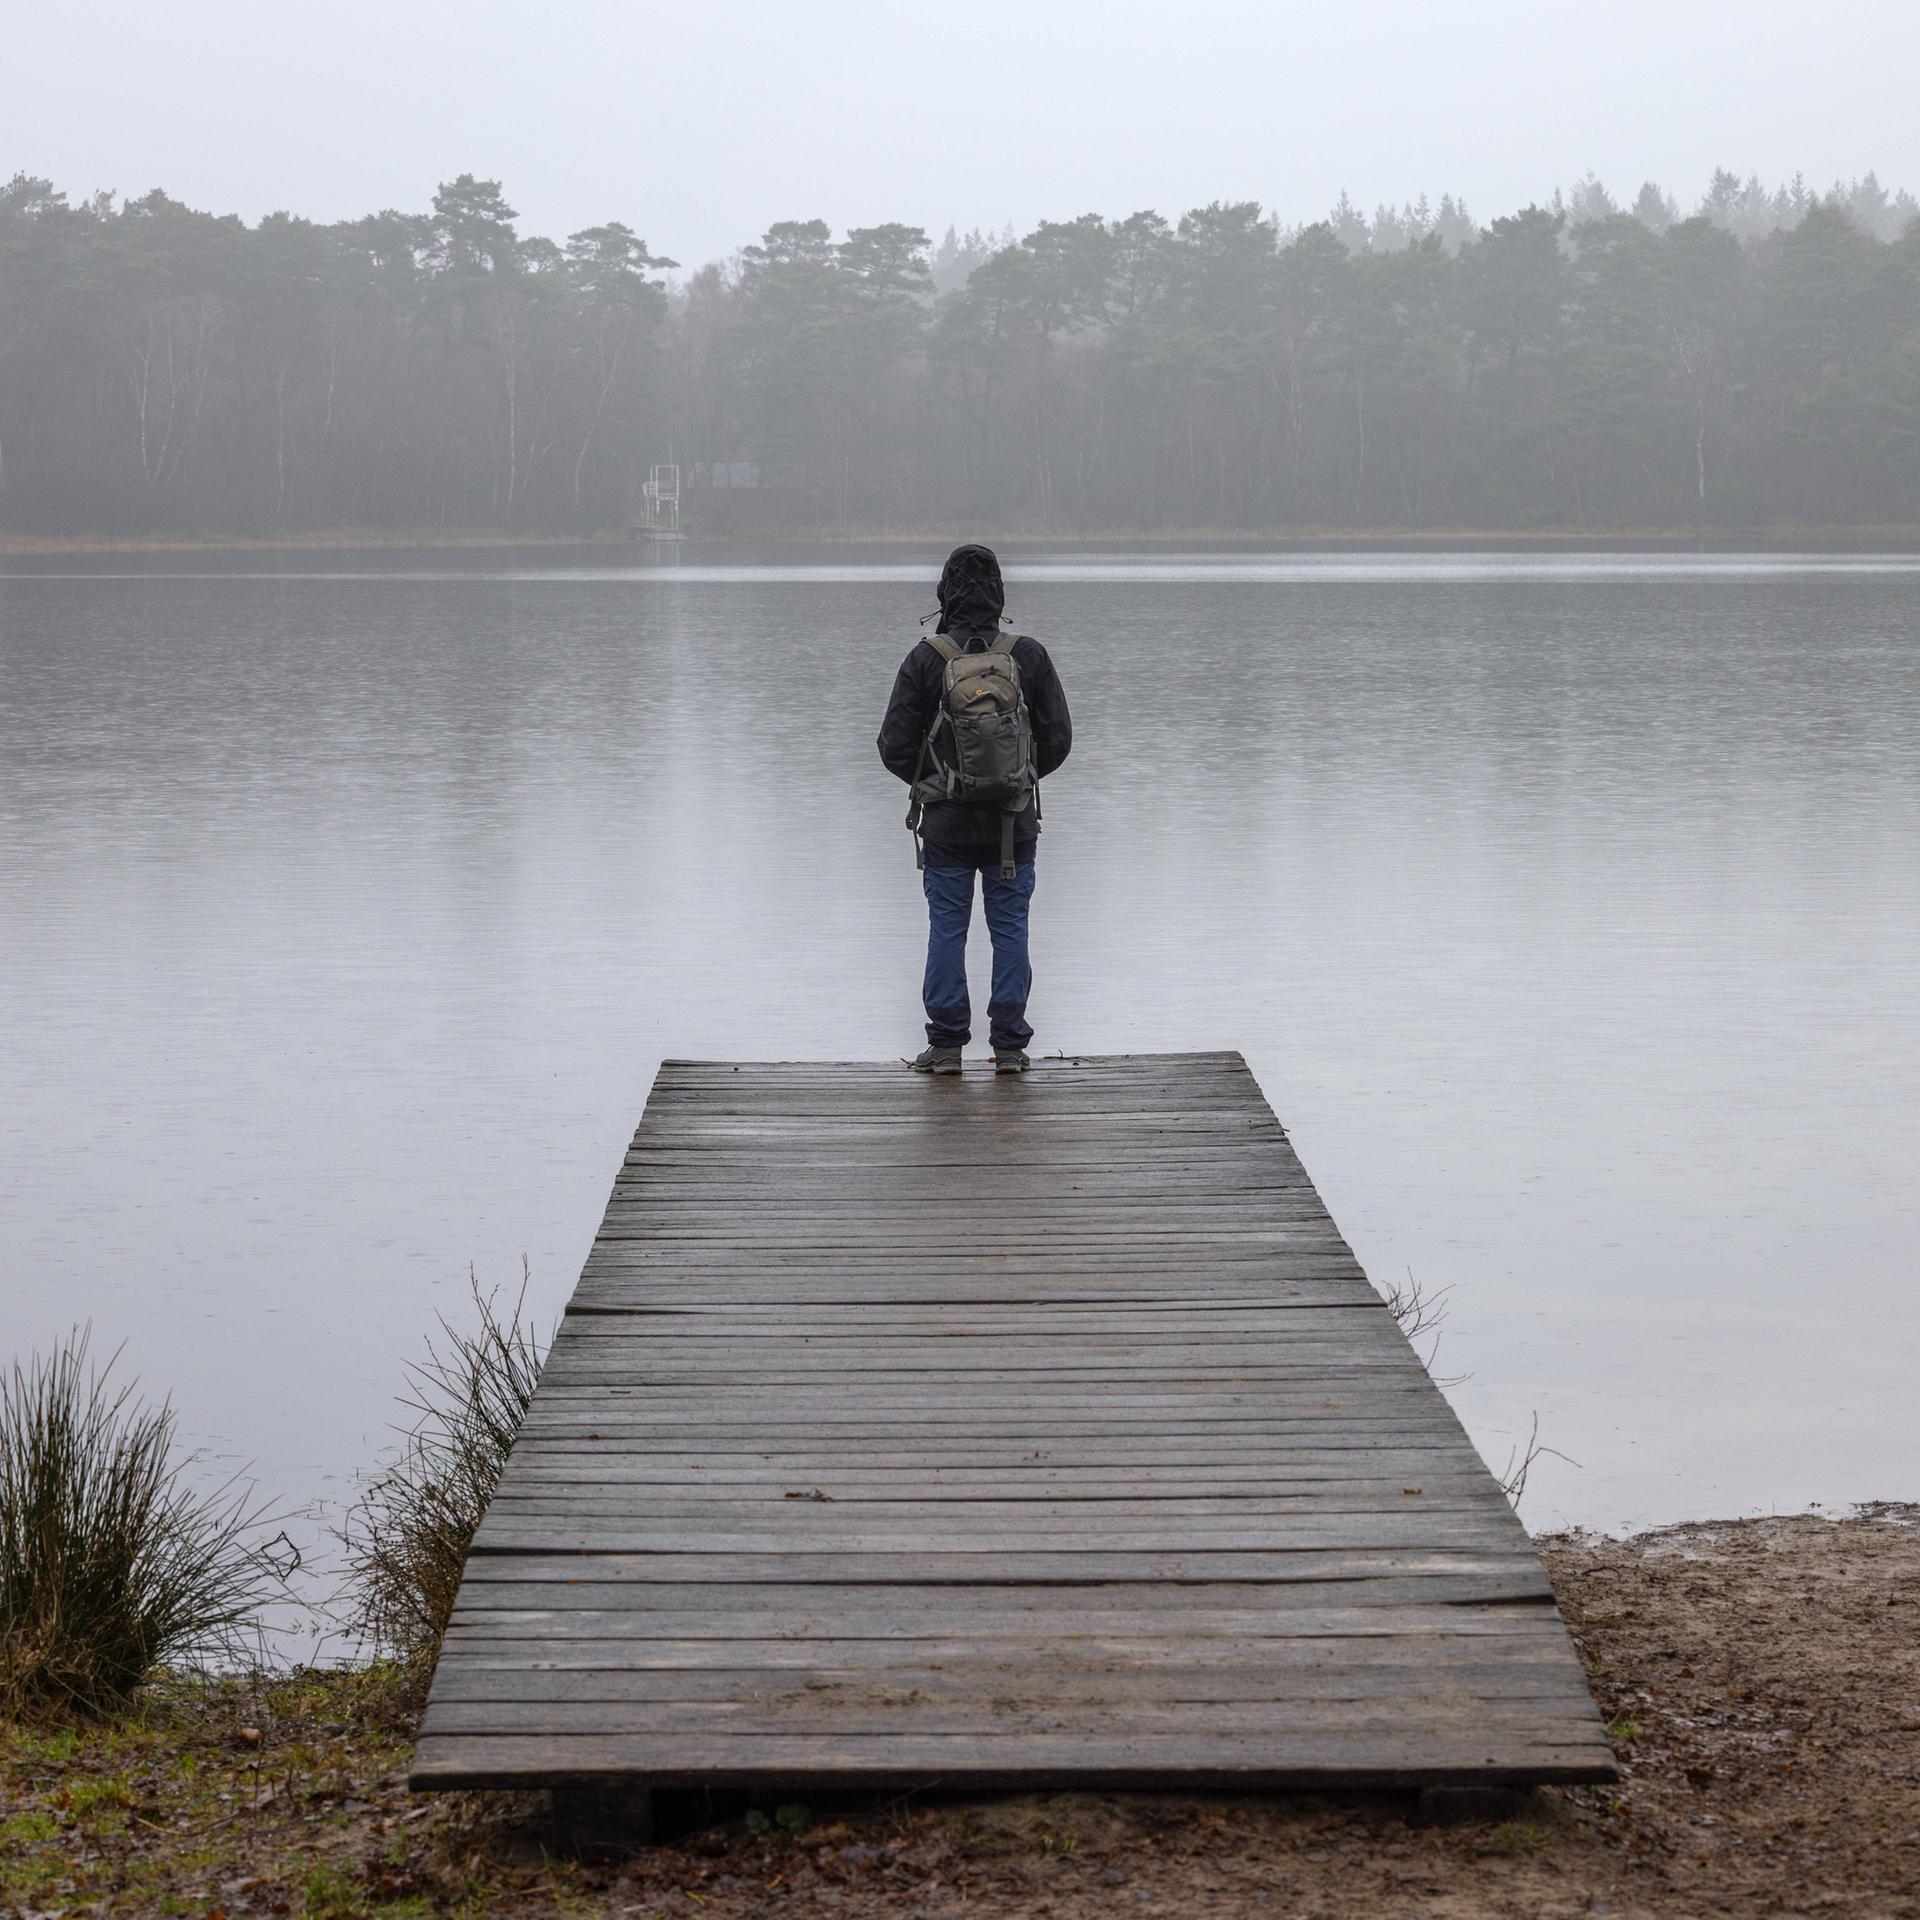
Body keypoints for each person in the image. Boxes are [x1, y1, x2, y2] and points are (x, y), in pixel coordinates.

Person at [877, 544, 1072, 1074]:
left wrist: (938, 786)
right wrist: (1017, 780)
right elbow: (1058, 740)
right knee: (1010, 928)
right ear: (1000, 593)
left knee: (947, 928)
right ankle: (1008, 1047)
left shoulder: (926, 658)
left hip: (945, 826)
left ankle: (945, 1047)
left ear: (944, 592)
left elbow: (893, 745)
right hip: (1014, 825)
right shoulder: (1026, 655)